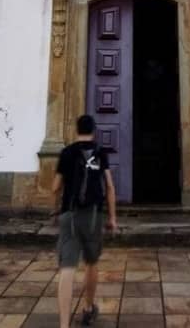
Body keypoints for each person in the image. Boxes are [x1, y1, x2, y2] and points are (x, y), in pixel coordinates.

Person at [53, 114, 118, 328]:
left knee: (67, 267)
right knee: (91, 262)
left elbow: (54, 188)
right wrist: (112, 219)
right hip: (92, 215)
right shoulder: (100, 153)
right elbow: (109, 186)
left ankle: (64, 324)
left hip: (69, 214)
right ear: (94, 130)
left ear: (75, 129)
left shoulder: (66, 152)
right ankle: (89, 308)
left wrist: (56, 210)